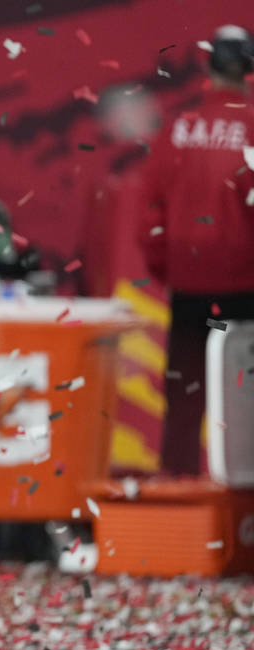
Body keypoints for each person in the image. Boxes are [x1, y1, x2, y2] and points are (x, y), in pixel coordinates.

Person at [139, 24, 254, 475]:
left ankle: (178, 500)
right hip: (244, 296)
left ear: (209, 67)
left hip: (191, 295)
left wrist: (171, 271)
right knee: (244, 400)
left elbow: (150, 214)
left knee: (184, 403)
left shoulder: (179, 128)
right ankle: (245, 513)